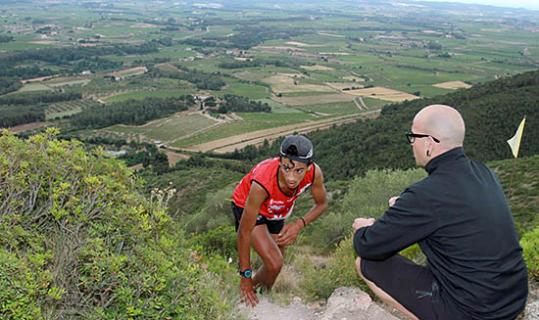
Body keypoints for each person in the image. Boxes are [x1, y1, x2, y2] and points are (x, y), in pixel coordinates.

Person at [352, 105, 528, 319]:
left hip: (474, 313)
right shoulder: (484, 173)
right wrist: (406, 208)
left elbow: (368, 245)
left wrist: (363, 228)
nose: (411, 144)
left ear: (428, 143)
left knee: (366, 263)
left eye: (413, 137)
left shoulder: (425, 195)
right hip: (513, 300)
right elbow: (453, 213)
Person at [232, 134, 328, 307]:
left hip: (278, 210)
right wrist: (245, 276)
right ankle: (249, 295)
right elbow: (243, 233)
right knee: (275, 261)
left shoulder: (314, 173)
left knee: (275, 266)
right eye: (286, 168)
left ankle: (260, 295)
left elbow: (322, 204)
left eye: (298, 170)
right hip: (248, 205)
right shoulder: (262, 183)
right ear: (279, 162)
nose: (291, 177)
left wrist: (299, 224)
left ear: (309, 167)